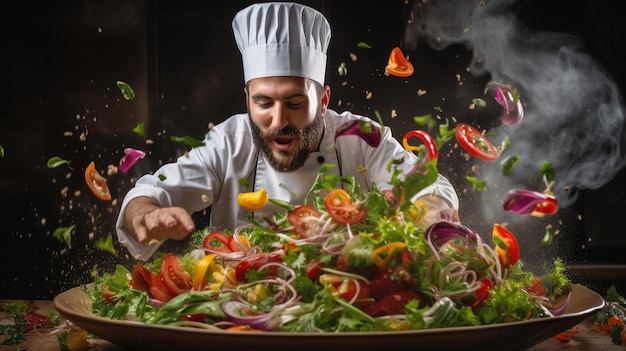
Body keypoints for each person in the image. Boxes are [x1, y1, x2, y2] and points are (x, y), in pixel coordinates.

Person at [116, 2, 459, 261]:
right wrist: (146, 215)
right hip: (239, 313)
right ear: (247, 99)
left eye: (295, 103)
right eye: (263, 103)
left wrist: (428, 209)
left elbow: (426, 186)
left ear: (323, 100)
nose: (278, 120)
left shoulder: (360, 136)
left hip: (346, 307)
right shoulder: (229, 141)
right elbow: (148, 195)